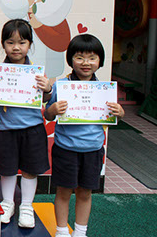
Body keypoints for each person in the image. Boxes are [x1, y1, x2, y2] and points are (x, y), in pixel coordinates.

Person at [45, 34, 124, 237]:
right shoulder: (61, 86)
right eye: (79, 57)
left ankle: (80, 232)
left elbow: (113, 116)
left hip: (93, 150)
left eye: (92, 58)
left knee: (85, 193)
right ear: (70, 59)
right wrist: (53, 109)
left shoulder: (104, 90)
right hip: (65, 149)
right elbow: (48, 114)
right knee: (63, 192)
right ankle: (62, 231)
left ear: (100, 61)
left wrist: (120, 113)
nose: (86, 63)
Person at [0, 19, 52, 227]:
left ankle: (26, 206)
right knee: (7, 168)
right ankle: (8, 203)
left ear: (30, 45)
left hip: (33, 129)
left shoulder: (36, 73)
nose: (16, 47)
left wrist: (47, 88)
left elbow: (45, 99)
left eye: (22, 42)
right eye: (10, 42)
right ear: (3, 44)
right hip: (6, 130)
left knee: (30, 170)